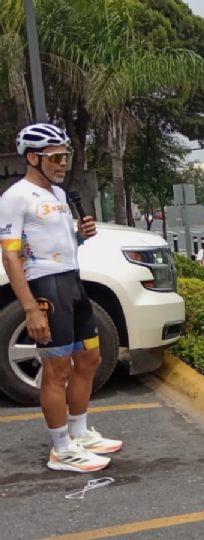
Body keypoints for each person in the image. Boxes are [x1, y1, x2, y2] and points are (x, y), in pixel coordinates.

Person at [0, 123, 119, 472]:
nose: (62, 163)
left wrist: (81, 236)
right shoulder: (15, 197)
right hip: (46, 287)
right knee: (56, 370)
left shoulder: (58, 194)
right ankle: (61, 450)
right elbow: (10, 256)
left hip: (72, 281)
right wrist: (30, 308)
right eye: (55, 157)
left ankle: (79, 433)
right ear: (33, 157)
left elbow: (62, 244)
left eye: (65, 156)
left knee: (90, 359)